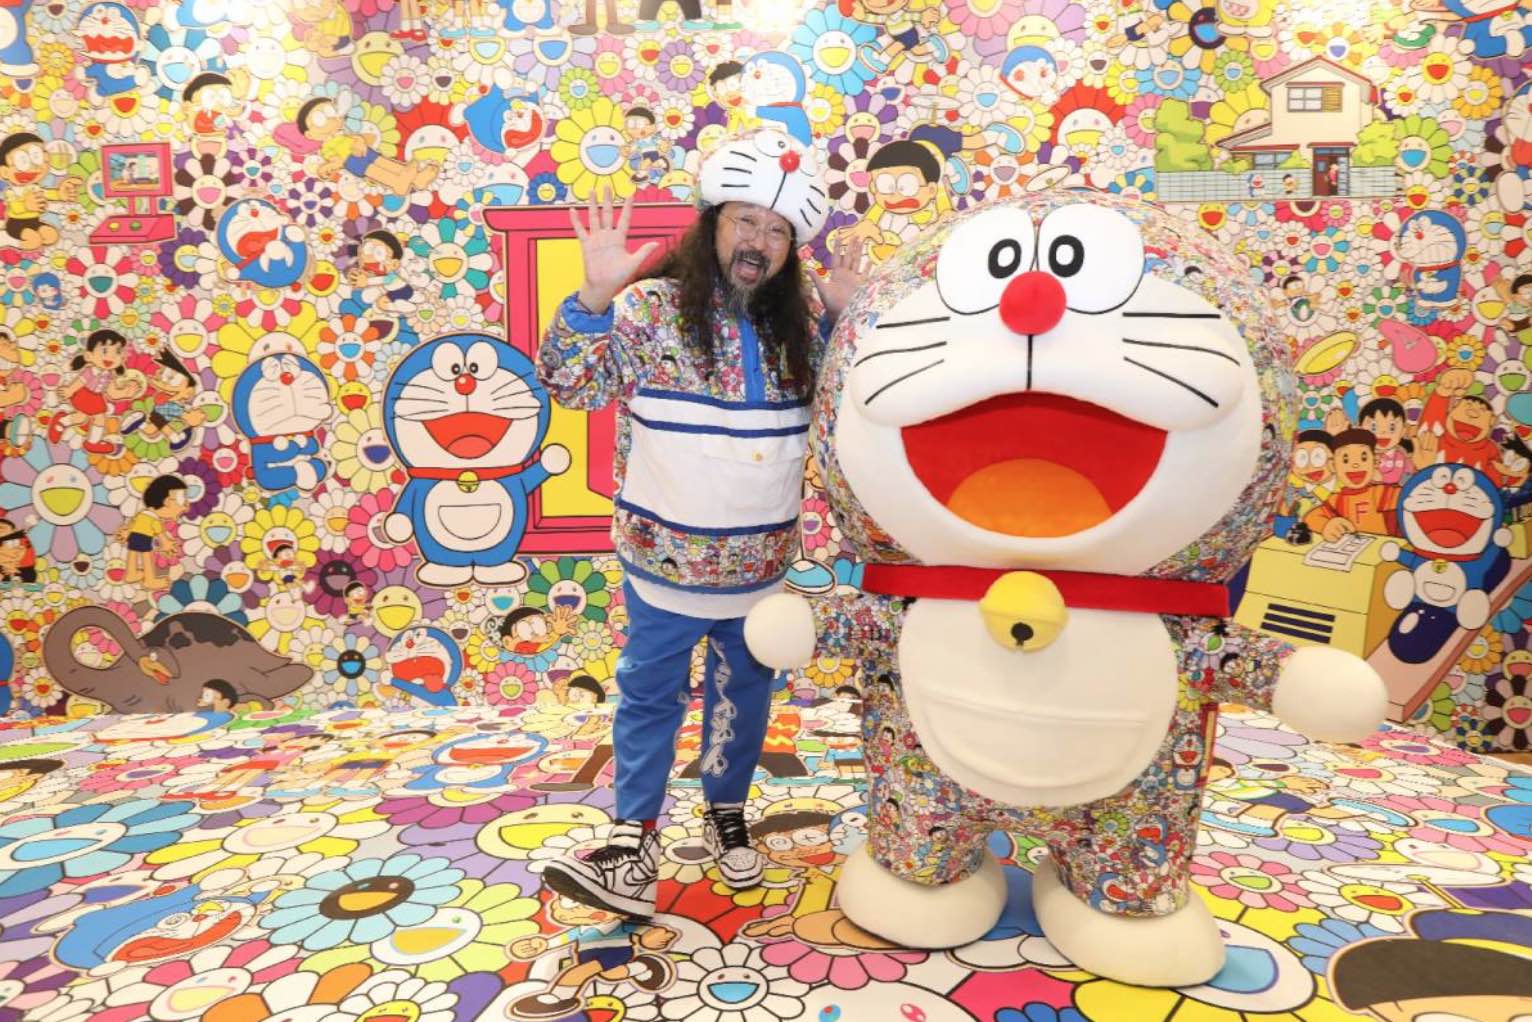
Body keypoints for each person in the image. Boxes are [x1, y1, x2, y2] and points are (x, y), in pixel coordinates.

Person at [535, 131, 865, 919]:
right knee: (649, 699)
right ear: (713, 222)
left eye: (777, 230)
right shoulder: (649, 310)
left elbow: (849, 411)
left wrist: (844, 323)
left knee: (742, 700)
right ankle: (632, 843)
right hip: (663, 566)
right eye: (746, 220)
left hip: (760, 571)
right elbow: (570, 385)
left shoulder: (801, 326)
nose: (759, 241)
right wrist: (593, 300)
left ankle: (727, 814)